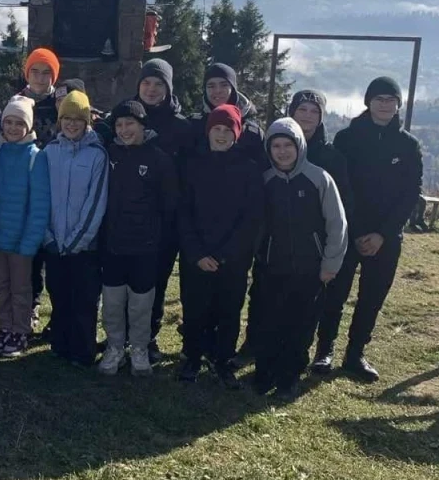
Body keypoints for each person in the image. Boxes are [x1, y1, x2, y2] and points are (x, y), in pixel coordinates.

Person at [313, 77, 422, 380]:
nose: (385, 104)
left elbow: (411, 193)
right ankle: (324, 351)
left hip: (386, 238)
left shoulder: (408, 145)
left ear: (399, 104)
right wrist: (357, 230)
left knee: (372, 297)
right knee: (335, 293)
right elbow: (340, 188)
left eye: (391, 99)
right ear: (368, 102)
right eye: (379, 99)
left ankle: (355, 354)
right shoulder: (347, 140)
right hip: (348, 231)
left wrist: (383, 234)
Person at [251, 118, 347, 401]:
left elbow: (337, 224)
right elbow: (256, 224)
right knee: (269, 322)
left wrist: (330, 264)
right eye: (276, 146)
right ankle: (264, 372)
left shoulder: (319, 178)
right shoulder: (265, 180)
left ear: (299, 146)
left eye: (287, 145)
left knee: (300, 326)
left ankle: (289, 378)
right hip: (272, 267)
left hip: (310, 270)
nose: (282, 151)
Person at [178, 104, 263, 385]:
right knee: (194, 308)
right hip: (196, 256)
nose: (222, 135)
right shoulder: (192, 165)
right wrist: (197, 253)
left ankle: (222, 358)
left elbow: (251, 218)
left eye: (228, 130)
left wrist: (226, 255)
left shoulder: (249, 171)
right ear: (208, 131)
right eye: (217, 128)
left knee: (228, 310)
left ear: (237, 134)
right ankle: (192, 355)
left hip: (233, 259)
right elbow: (183, 212)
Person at [99, 100, 179, 378]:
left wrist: (157, 239)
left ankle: (140, 349)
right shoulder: (108, 154)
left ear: (143, 125)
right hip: (112, 243)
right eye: (119, 125)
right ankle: (115, 347)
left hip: (145, 246)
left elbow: (170, 206)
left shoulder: (159, 159)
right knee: (112, 301)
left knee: (141, 303)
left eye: (130, 124)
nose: (124, 130)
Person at [42, 90, 109, 367]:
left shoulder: (97, 155)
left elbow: (96, 202)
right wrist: (49, 237)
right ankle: (60, 344)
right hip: (54, 242)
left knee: (84, 300)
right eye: (66, 118)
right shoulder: (49, 152)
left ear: (87, 122)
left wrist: (76, 240)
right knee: (59, 295)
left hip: (84, 246)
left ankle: (82, 351)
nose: (71, 124)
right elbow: (41, 197)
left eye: (77, 119)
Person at [134, 57, 196, 355]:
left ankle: (149, 337)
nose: (151, 89)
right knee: (129, 280)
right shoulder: (125, 116)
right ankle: (122, 336)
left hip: (166, 221)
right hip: (129, 216)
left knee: (156, 282)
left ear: (169, 89)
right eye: (146, 82)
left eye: (159, 84)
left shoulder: (182, 128)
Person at [0, 95, 51, 358]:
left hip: (21, 241)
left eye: (19, 123)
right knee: (0, 286)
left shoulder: (36, 157)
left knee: (21, 288)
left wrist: (29, 243)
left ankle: (21, 330)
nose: (13, 128)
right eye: (8, 122)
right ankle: (4, 327)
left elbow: (40, 207)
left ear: (29, 126)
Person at [195, 63, 265, 167]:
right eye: (211, 86)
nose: (217, 91)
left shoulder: (252, 133)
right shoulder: (193, 125)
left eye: (224, 85)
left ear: (233, 88)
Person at [20, 47, 61, 148]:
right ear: (27, 73)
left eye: (46, 73)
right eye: (35, 71)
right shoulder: (17, 102)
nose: (40, 78)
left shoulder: (60, 101)